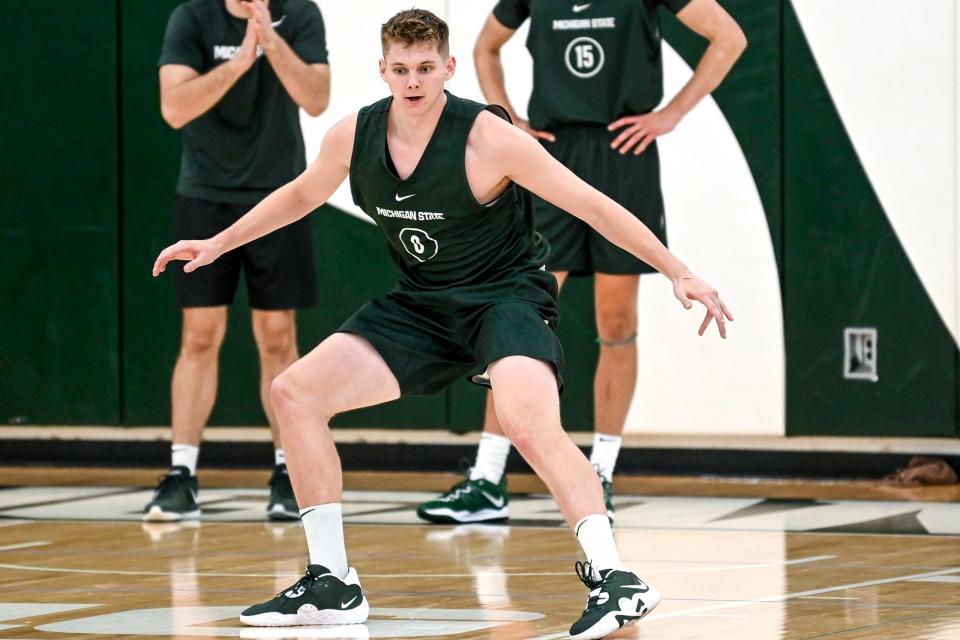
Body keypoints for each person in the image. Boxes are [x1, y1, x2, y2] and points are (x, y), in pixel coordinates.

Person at [152, 9, 731, 638]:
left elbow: (592, 204)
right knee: (293, 392)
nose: (413, 80)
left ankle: (618, 579)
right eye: (399, 69)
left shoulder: (489, 137)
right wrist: (218, 242)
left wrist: (679, 271)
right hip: (423, 303)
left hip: (504, 299)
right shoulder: (355, 134)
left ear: (448, 68)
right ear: (382, 71)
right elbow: (299, 194)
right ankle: (332, 581)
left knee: (528, 421)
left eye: (425, 67)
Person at [417, 0, 746, 525]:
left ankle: (602, 473)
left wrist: (673, 112)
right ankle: (486, 478)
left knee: (616, 320)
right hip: (552, 151)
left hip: (622, 153)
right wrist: (507, 118)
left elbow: (729, 37)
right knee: (516, 316)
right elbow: (484, 47)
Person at [143, 0, 330, 522]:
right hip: (205, 193)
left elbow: (316, 99)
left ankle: (287, 472)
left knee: (278, 336)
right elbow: (174, 107)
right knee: (200, 335)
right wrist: (240, 61)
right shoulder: (191, 17)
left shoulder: (300, 14)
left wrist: (269, 41)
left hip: (280, 195)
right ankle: (181, 474)